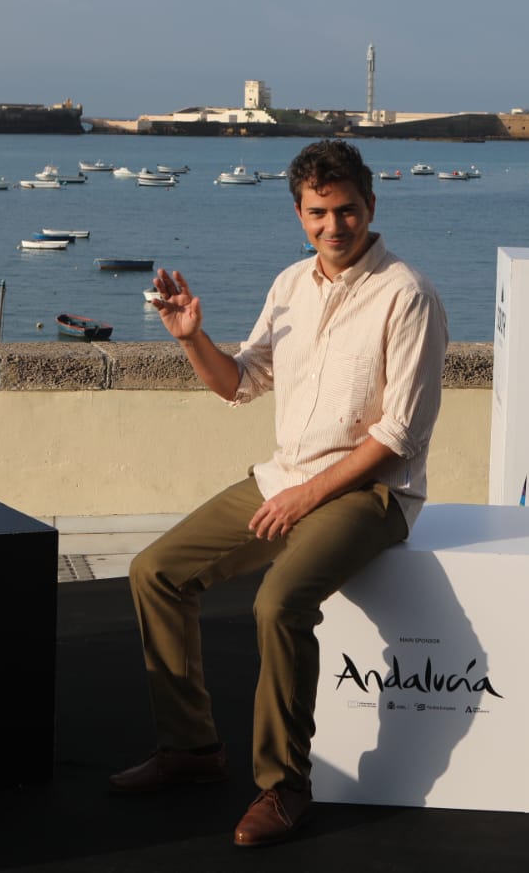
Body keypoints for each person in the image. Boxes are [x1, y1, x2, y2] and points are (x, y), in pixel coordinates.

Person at [110, 139, 449, 847]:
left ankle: (285, 786)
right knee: (156, 572)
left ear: (370, 206)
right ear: (299, 214)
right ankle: (192, 751)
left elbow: (400, 437)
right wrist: (190, 338)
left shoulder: (407, 294)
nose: (334, 226)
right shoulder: (289, 285)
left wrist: (305, 499)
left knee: (277, 602)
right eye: (319, 213)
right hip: (282, 478)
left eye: (347, 210)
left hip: (372, 494)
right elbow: (238, 383)